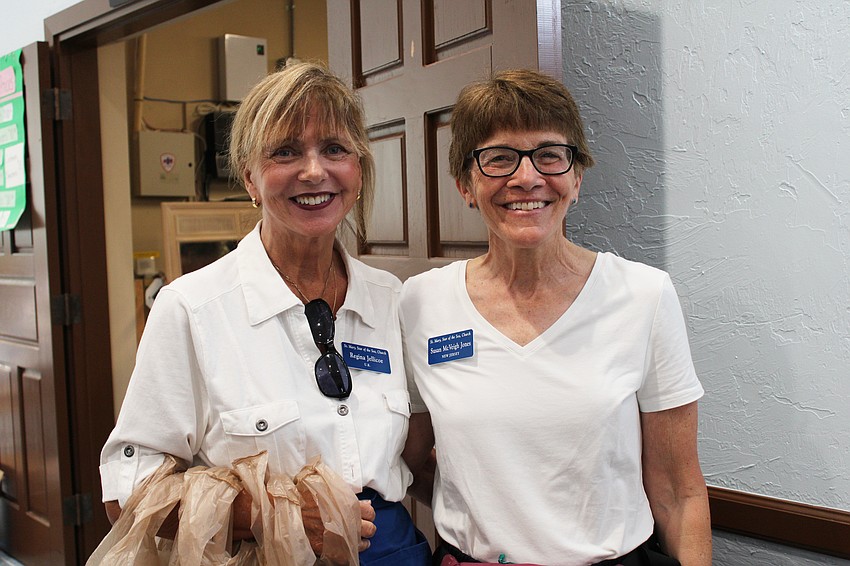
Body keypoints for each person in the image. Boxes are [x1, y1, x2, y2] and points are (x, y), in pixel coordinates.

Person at [99, 61, 430, 566]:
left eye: (335, 149)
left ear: (358, 171)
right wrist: (272, 513)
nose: (314, 171)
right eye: (286, 151)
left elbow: (419, 456)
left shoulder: (392, 299)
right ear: (250, 178)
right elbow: (126, 491)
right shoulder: (192, 308)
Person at [399, 69, 711, 566]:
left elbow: (679, 492)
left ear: (576, 178)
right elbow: (412, 459)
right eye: (499, 158)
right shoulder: (420, 303)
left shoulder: (644, 296)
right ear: (465, 184)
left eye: (549, 155)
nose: (527, 178)